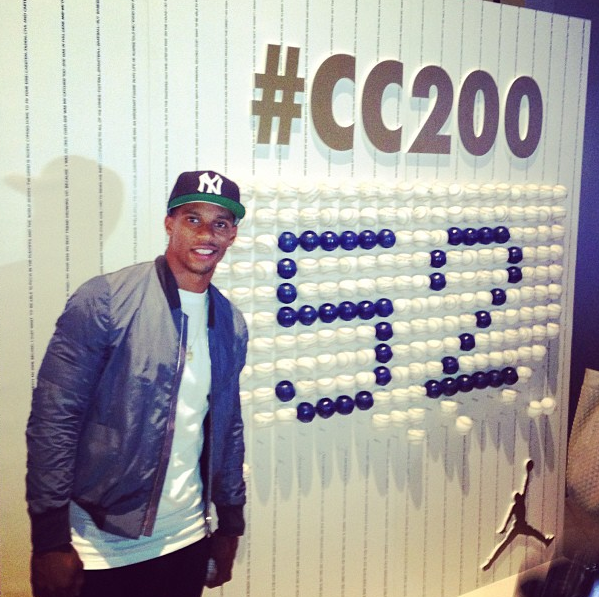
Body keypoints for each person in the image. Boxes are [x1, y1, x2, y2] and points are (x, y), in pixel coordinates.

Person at [26, 170, 248, 597]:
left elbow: (228, 428)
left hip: (188, 536)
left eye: (220, 223)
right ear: (170, 223)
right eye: (193, 219)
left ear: (232, 234)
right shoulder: (106, 299)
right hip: (101, 544)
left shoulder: (230, 322)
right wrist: (49, 540)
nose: (207, 234)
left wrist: (230, 524)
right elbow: (54, 421)